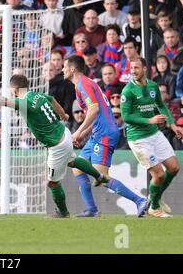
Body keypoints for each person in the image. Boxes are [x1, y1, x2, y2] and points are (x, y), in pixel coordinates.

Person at [0, 74, 110, 218]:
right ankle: (99, 176)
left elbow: (3, 102)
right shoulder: (38, 95)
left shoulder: (24, 102)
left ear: (15, 89)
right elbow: (53, 100)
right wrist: (63, 115)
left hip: (57, 145)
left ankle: (63, 213)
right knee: (72, 161)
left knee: (52, 183)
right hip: (65, 133)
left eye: (12, 90)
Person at [63, 55, 148, 217]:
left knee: (101, 176)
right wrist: (84, 133)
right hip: (97, 133)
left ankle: (139, 201)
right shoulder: (84, 84)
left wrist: (78, 132)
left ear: (72, 69)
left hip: (105, 134)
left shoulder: (83, 84)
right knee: (78, 168)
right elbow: (94, 113)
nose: (62, 69)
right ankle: (91, 209)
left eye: (65, 67)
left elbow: (94, 109)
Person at [120, 57, 183, 218]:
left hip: (155, 133)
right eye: (131, 68)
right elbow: (126, 117)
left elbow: (161, 105)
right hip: (138, 139)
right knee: (159, 174)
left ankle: (155, 197)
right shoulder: (128, 90)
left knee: (174, 168)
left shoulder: (152, 85)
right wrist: (150, 120)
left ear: (145, 69)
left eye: (136, 68)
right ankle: (154, 207)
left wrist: (172, 123)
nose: (133, 71)